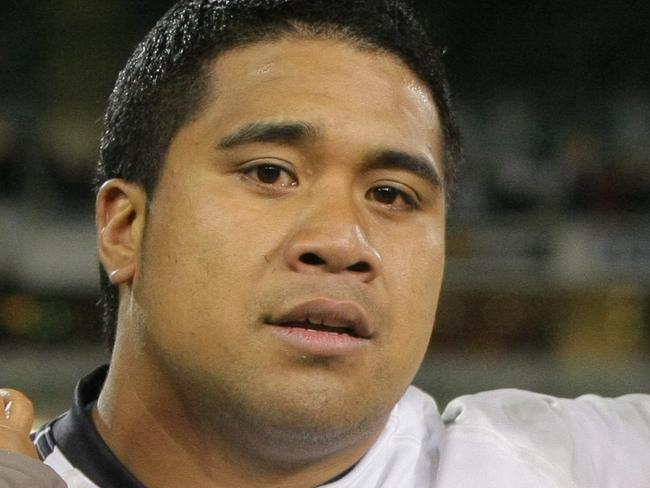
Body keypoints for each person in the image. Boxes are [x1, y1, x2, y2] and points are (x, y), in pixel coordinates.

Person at [2, 0, 650, 487]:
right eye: (270, 173)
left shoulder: (574, 465)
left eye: (392, 195)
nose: (344, 241)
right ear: (124, 227)